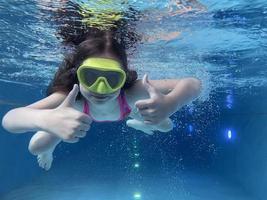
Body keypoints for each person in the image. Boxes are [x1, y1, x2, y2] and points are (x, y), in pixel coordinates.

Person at [1, 3, 202, 171]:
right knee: (36, 147)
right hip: (76, 118)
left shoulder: (133, 92)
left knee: (167, 126)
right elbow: (10, 119)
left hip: (127, 110)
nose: (100, 88)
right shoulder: (72, 99)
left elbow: (194, 83)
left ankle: (139, 123)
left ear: (123, 78)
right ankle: (51, 146)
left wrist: (171, 103)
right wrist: (46, 120)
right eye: (90, 76)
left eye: (112, 78)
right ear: (77, 75)